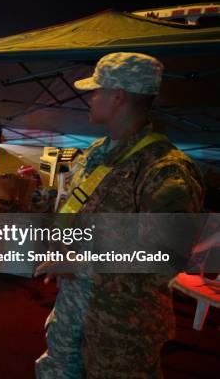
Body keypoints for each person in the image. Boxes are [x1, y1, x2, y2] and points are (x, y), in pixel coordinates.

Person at [35, 53, 204, 378]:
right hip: (73, 311)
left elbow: (166, 258)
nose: (90, 97)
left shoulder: (165, 169)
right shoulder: (97, 152)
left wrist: (79, 265)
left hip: (122, 329)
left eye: (96, 90)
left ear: (118, 97)